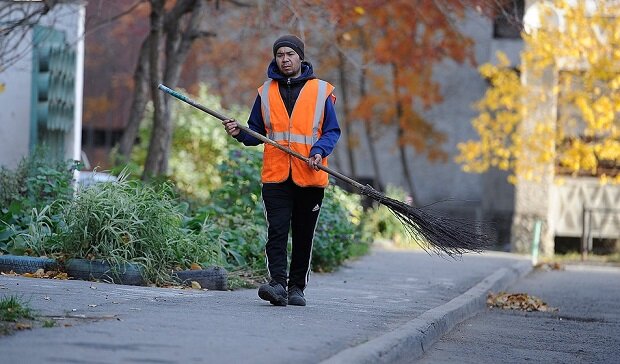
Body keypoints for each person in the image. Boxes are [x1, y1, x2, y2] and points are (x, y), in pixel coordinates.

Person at [222, 35, 340, 306]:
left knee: (303, 234)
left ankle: (297, 288)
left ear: (300, 57)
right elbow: (256, 133)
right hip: (276, 175)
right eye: (280, 55)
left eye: (290, 54)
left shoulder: (321, 90)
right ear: (275, 58)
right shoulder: (265, 91)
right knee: (276, 230)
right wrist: (239, 132)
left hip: (309, 175)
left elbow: (331, 131)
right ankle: (277, 284)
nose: (285, 59)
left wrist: (319, 151)